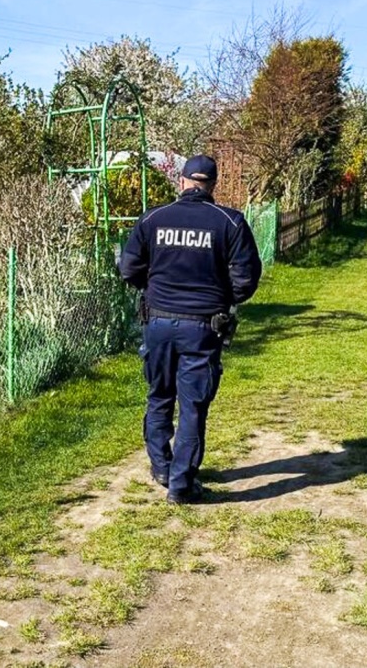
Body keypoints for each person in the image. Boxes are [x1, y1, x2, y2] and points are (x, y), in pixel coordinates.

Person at [118, 154, 263, 504]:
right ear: (212, 185)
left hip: (158, 322)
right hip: (203, 326)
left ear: (181, 182)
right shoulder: (229, 222)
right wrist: (222, 297)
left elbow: (128, 269)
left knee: (159, 397)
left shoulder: (154, 218)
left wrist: (153, 288)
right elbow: (246, 279)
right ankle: (181, 485)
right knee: (193, 405)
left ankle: (162, 467)